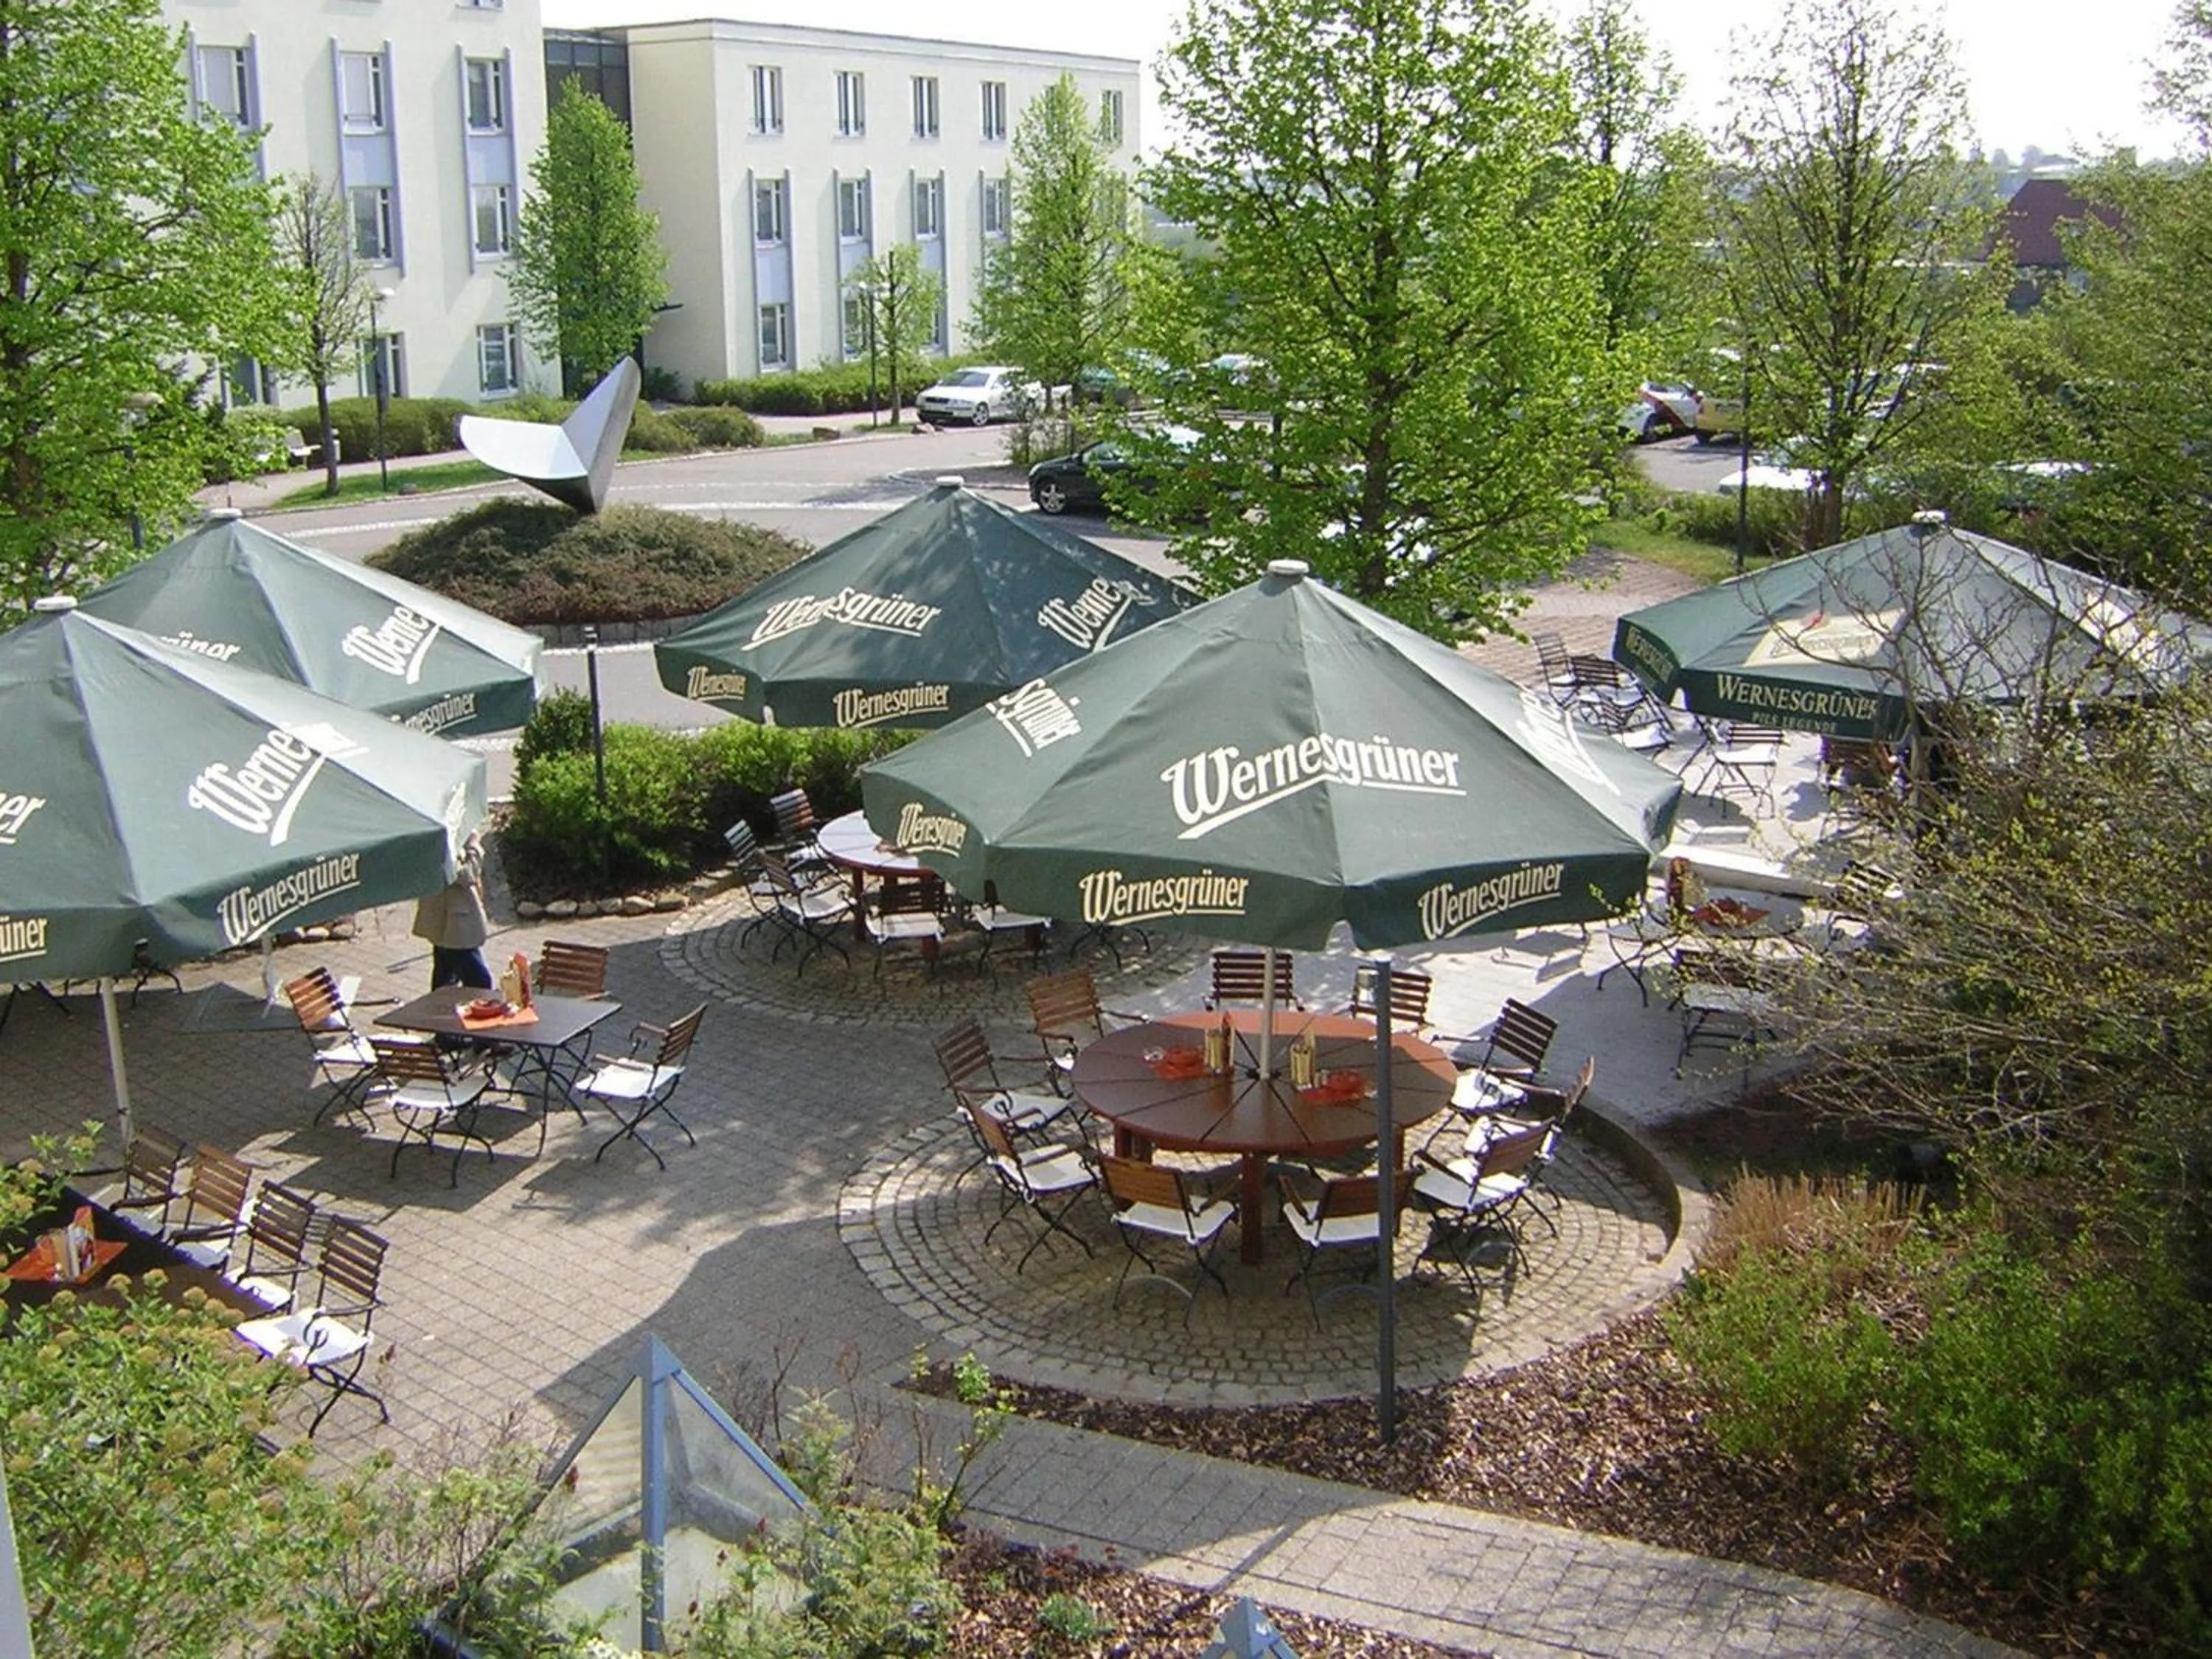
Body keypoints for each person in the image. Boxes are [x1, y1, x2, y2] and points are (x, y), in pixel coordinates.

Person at [414, 832, 493, 991]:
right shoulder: (441, 842)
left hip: (447, 924)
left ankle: (438, 1005)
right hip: (454, 926)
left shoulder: (438, 838)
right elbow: (466, 875)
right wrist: (473, 845)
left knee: (444, 982)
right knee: (480, 984)